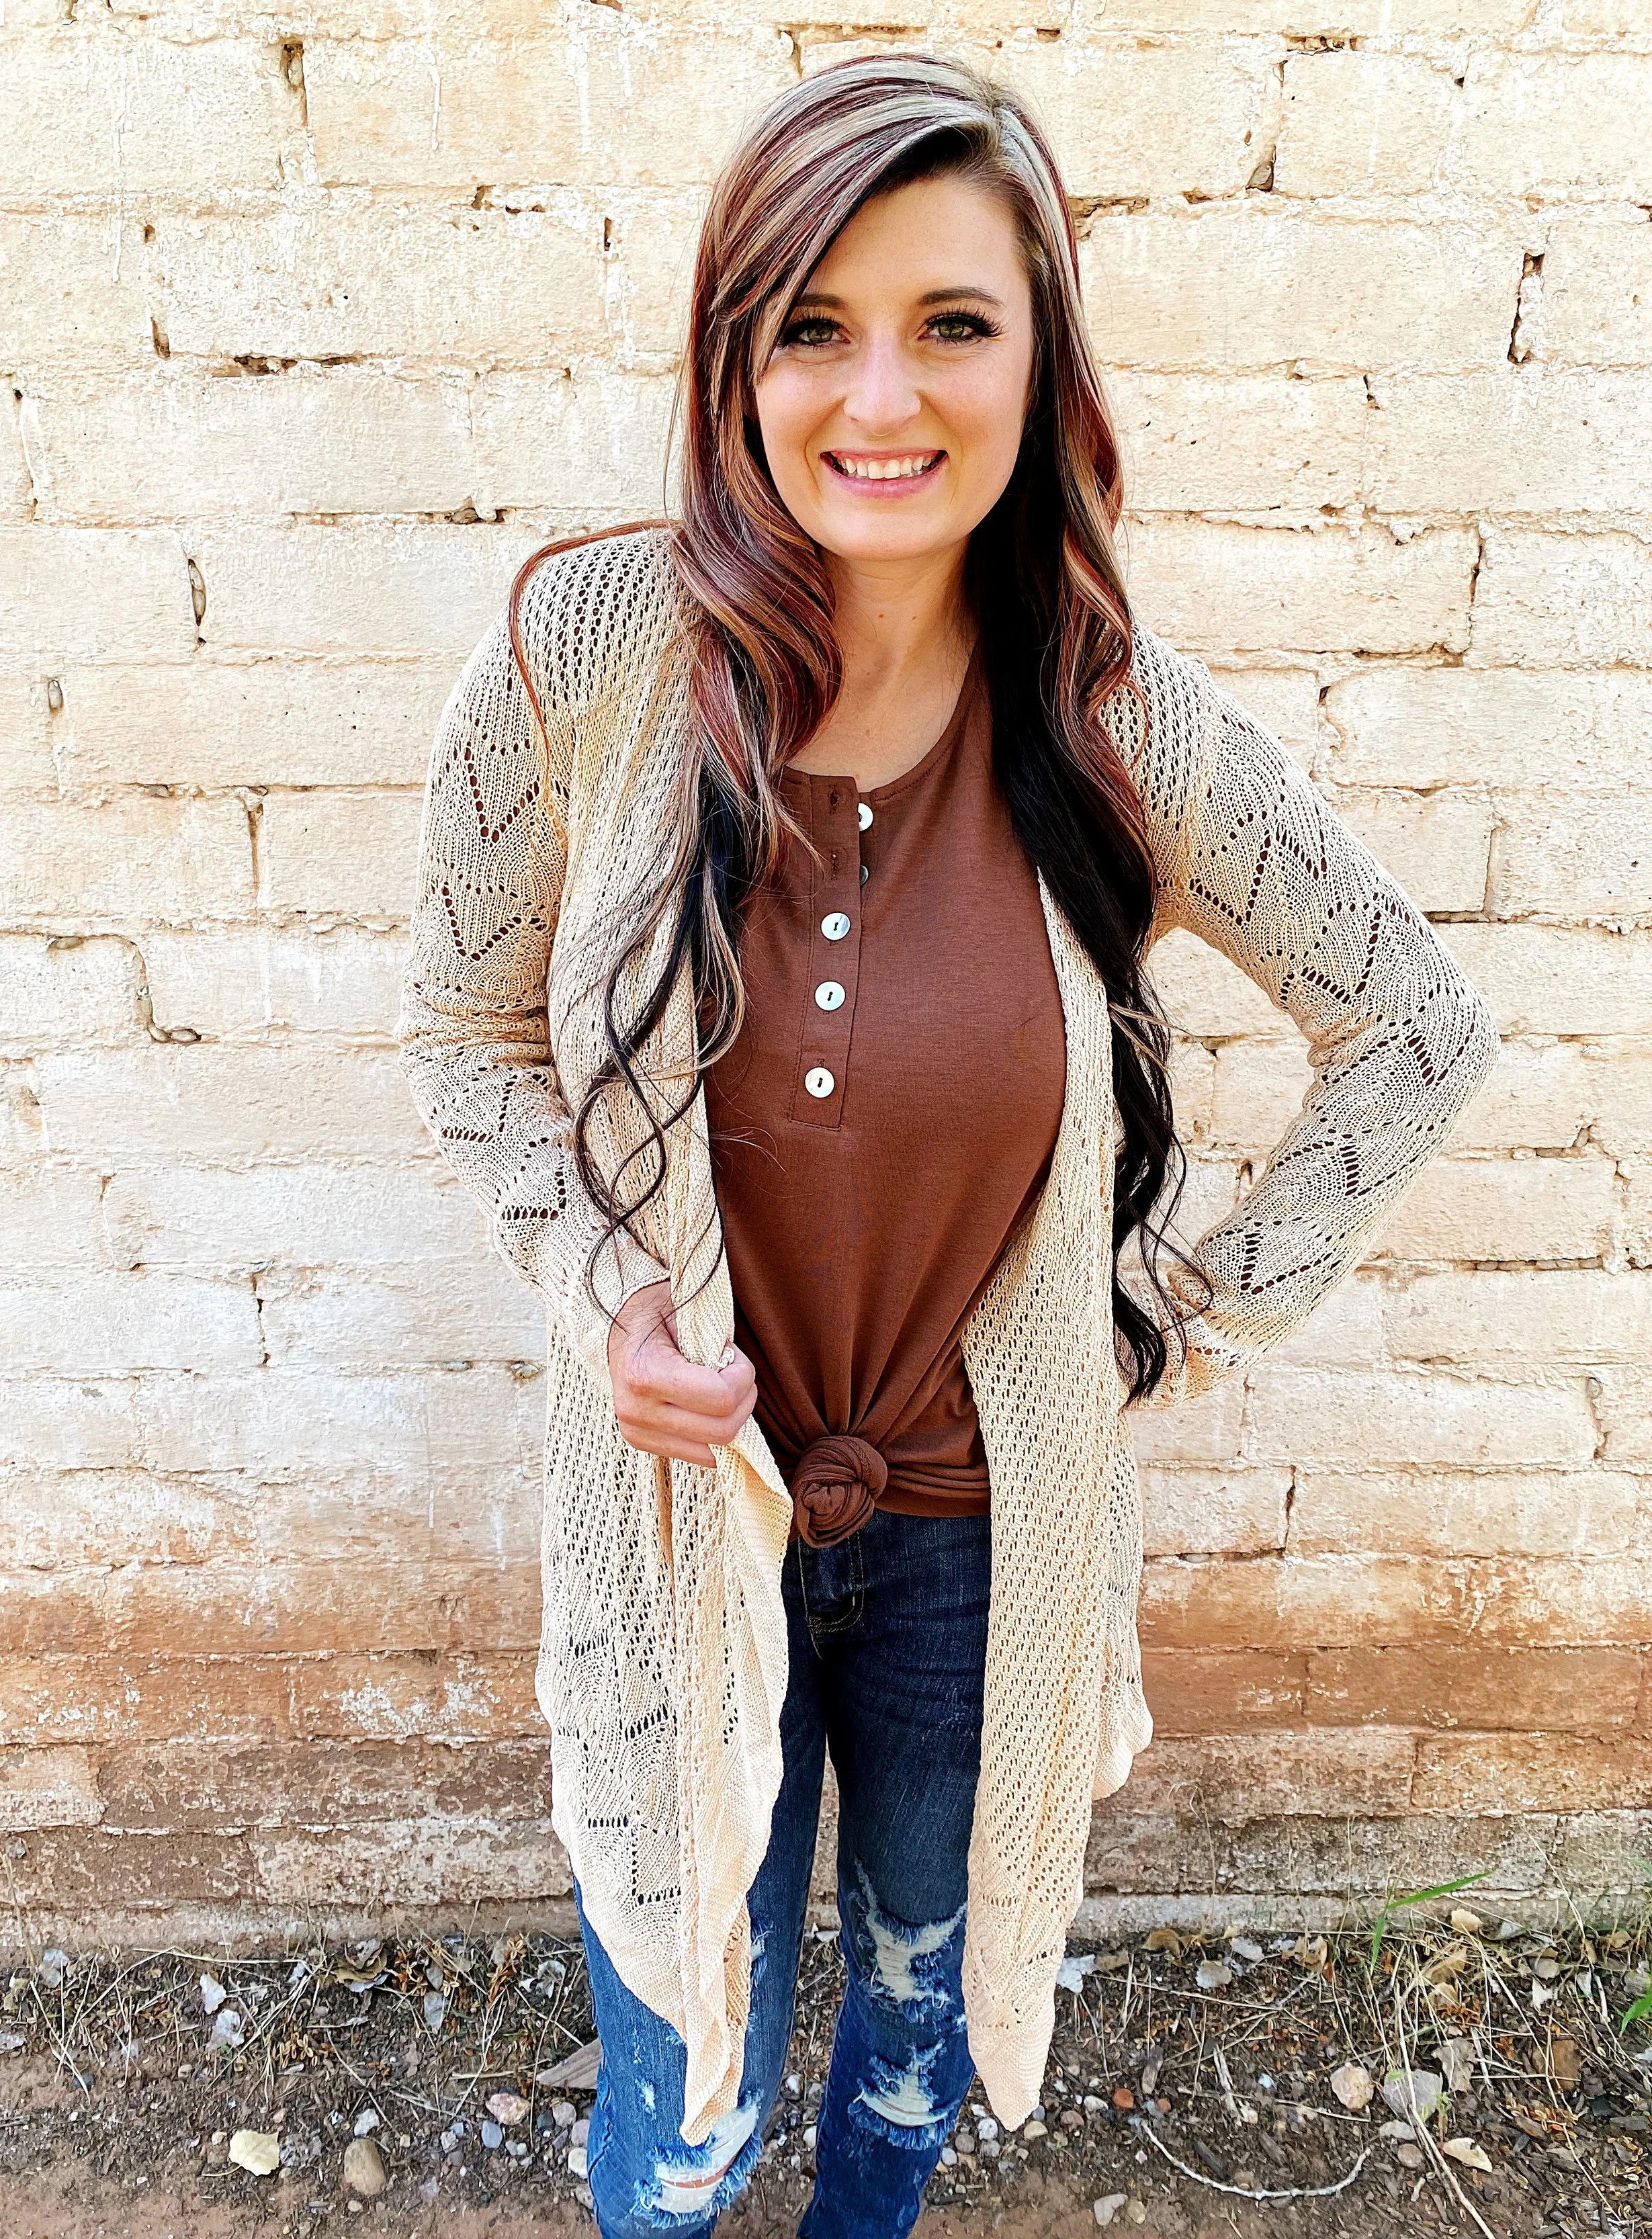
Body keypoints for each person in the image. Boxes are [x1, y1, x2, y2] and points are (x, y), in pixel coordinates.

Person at [398, 50, 1499, 2239]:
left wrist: (1164, 1319)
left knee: (908, 2044)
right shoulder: (584, 658)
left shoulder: (1114, 718)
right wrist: (604, 1291)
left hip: (980, 1556)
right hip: (679, 1528)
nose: (879, 395)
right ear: (733, 357)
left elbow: (1413, 1022)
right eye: (814, 324)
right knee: (680, 2098)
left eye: (952, 323)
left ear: (1038, 361)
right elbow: (465, 1031)